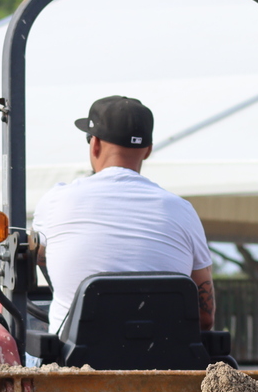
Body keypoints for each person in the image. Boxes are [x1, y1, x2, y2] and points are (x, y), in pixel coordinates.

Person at [31, 95, 214, 336]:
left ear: (94, 144)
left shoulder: (55, 201)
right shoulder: (181, 210)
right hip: (164, 360)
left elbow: (39, 253)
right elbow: (205, 317)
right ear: (148, 150)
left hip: (74, 364)